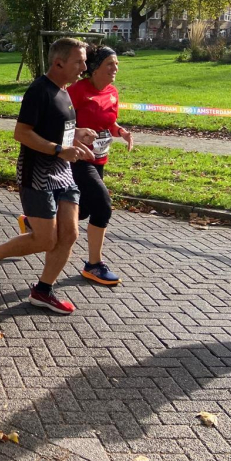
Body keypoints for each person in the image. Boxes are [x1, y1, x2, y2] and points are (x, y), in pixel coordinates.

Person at [0, 38, 97, 315]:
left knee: (70, 234)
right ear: (59, 63)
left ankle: (43, 290)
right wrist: (58, 149)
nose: (84, 67)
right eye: (79, 61)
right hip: (37, 173)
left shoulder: (65, 92)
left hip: (63, 172)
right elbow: (22, 133)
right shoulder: (39, 91)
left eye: (84, 61)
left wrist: (77, 134)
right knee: (45, 240)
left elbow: (55, 128)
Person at [66, 45, 134, 286]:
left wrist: (120, 131)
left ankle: (33, 222)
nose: (115, 68)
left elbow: (109, 121)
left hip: (100, 159)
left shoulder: (112, 92)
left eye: (116, 64)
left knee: (83, 210)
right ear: (94, 69)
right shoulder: (77, 91)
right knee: (103, 205)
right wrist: (75, 135)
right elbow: (58, 122)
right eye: (109, 64)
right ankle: (94, 264)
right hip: (79, 159)